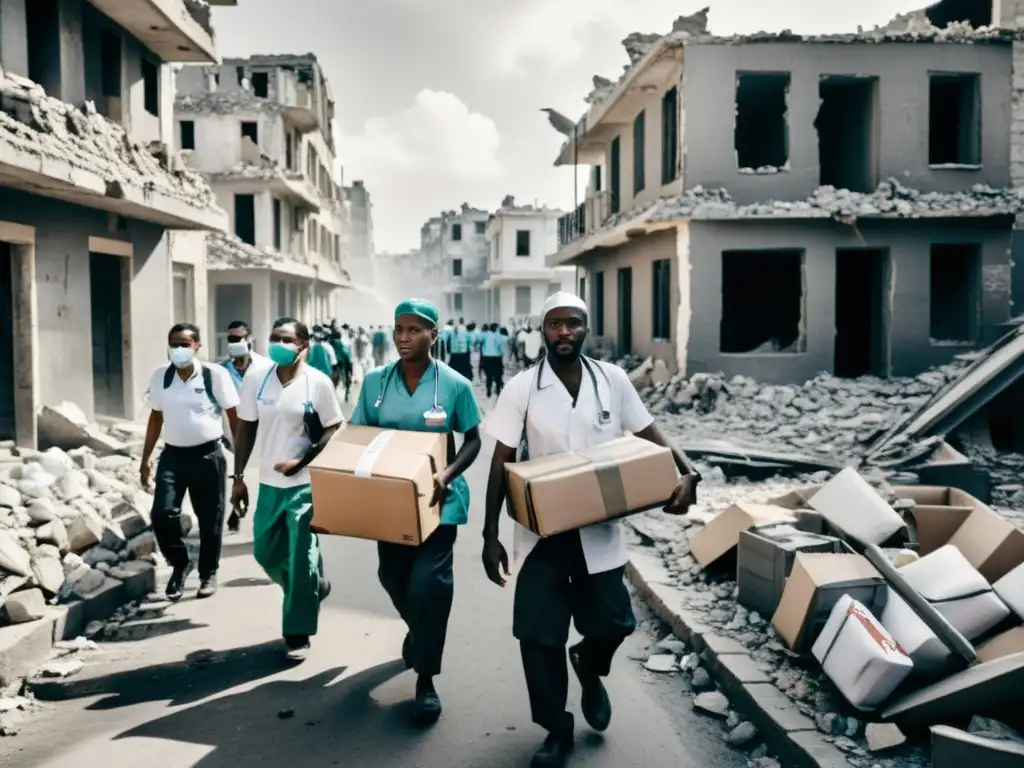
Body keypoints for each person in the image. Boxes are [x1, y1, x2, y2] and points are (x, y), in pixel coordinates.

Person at [481, 293, 700, 768]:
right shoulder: (522, 388)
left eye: (573, 324)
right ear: (542, 330)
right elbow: (499, 462)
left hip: (600, 533)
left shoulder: (613, 381)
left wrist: (689, 473)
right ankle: (557, 729)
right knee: (538, 636)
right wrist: (489, 534)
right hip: (544, 536)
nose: (564, 332)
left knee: (615, 623)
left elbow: (651, 436)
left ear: (586, 329)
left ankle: (589, 663)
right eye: (555, 324)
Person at [350, 298, 482, 725]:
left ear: (434, 335)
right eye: (399, 329)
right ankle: (419, 632)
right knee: (393, 576)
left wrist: (447, 474)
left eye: (413, 330)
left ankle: (426, 678)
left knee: (430, 585)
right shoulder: (375, 383)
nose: (403, 338)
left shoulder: (455, 385)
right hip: (390, 502)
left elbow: (473, 440)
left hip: (436, 503)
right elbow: (359, 436)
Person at [231, 317, 345, 660]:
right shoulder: (255, 379)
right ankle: (313, 588)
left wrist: (304, 460)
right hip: (268, 481)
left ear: (303, 346)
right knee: (265, 552)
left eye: (286, 339)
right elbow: (245, 429)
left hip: (305, 484)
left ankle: (298, 630)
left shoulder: (318, 383)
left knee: (301, 559)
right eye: (273, 337)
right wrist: (237, 478)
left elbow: (333, 426)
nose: (278, 344)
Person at [141, 323, 240, 601]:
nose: (179, 349)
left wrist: (240, 462)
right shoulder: (160, 376)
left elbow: (234, 416)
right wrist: (146, 458)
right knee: (162, 514)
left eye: (185, 343)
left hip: (208, 455)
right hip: (173, 456)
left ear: (197, 345)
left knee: (211, 520)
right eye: (174, 343)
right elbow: (155, 417)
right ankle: (180, 563)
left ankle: (208, 572)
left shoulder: (214, 375)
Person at [481, 322, 507, 398]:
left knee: (488, 376)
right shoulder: (500, 336)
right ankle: (498, 391)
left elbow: (479, 341)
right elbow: (505, 341)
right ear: (496, 328)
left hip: (487, 357)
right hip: (497, 358)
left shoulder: (484, 335)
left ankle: (488, 391)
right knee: (498, 376)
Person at [330, 324, 354, 402]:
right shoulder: (344, 349)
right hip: (343, 368)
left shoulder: (329, 348)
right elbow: (349, 362)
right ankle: (346, 392)